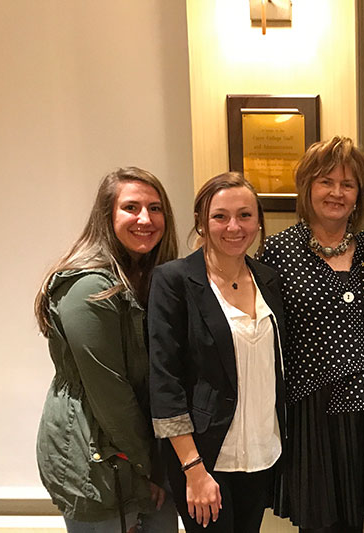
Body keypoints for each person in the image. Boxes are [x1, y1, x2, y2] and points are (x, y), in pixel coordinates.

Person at [35, 167, 179, 532]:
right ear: (107, 216)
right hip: (96, 457)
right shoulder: (88, 288)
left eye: (155, 208)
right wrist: (148, 466)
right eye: (131, 207)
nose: (145, 219)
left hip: (140, 452)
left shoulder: (147, 276)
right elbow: (110, 394)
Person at [257, 136, 364, 532]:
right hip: (309, 408)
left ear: (359, 194)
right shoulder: (278, 251)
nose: (336, 192)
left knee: (354, 521)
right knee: (315, 520)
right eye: (325, 181)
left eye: (347, 184)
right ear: (307, 188)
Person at [148, 172, 287, 532]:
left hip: (261, 452)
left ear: (258, 221)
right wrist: (193, 469)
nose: (234, 227)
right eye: (220, 216)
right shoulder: (174, 280)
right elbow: (165, 382)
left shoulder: (269, 280)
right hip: (205, 459)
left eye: (245, 215)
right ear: (201, 221)